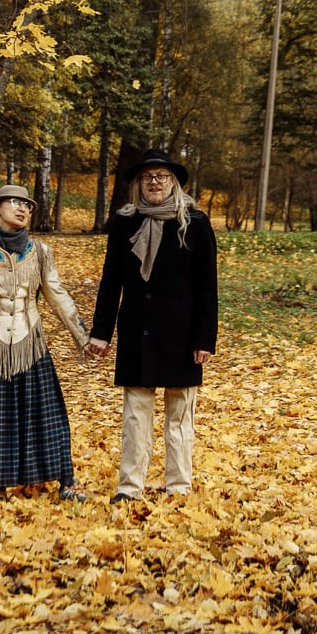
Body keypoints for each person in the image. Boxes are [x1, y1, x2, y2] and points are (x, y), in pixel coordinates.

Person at [87, 148, 218, 501]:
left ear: (172, 181)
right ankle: (130, 488)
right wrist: (101, 332)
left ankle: (178, 487)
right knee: (135, 416)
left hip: (182, 334)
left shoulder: (196, 222)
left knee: (179, 417)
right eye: (148, 177)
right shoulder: (125, 222)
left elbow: (207, 286)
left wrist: (205, 338)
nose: (154, 183)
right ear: (139, 184)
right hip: (137, 332)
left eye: (161, 176)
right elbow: (110, 280)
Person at [0, 183, 91, 503]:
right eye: (14, 202)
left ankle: (67, 480)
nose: (23, 208)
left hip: (29, 341)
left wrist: (82, 337)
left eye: (27, 204)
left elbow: (57, 296)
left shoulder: (40, 252)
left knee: (47, 412)